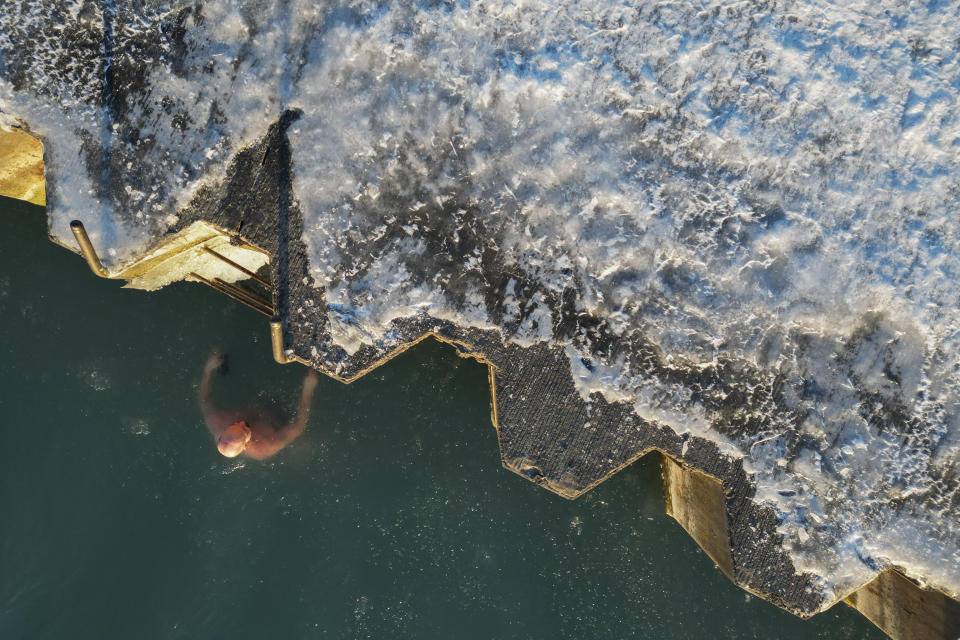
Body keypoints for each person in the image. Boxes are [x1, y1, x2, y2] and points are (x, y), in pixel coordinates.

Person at [199, 352, 319, 460]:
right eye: (245, 429)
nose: (241, 422)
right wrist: (308, 389)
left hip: (257, 402)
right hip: (279, 415)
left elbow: (204, 399)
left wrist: (208, 369)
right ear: (246, 445)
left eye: (233, 424)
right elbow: (298, 426)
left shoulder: (217, 422)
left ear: (224, 431)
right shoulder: (265, 446)